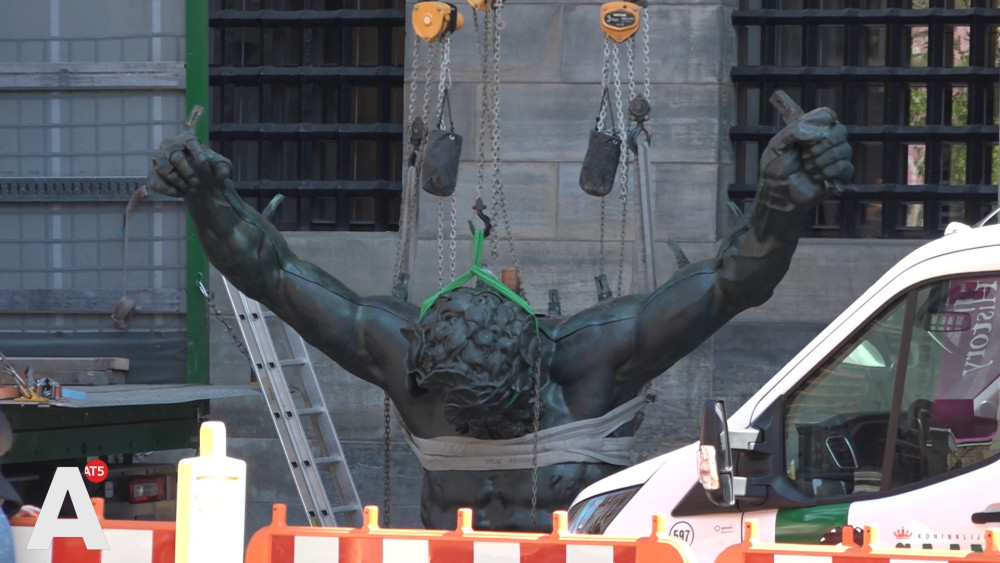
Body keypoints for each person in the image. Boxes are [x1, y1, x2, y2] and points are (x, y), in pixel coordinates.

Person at [148, 107, 853, 531]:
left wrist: (780, 205)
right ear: (427, 367)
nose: (483, 431)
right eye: (466, 410)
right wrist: (207, 199)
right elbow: (270, 275)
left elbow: (735, 282)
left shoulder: (591, 360)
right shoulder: (408, 357)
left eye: (501, 414)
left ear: (539, 362)